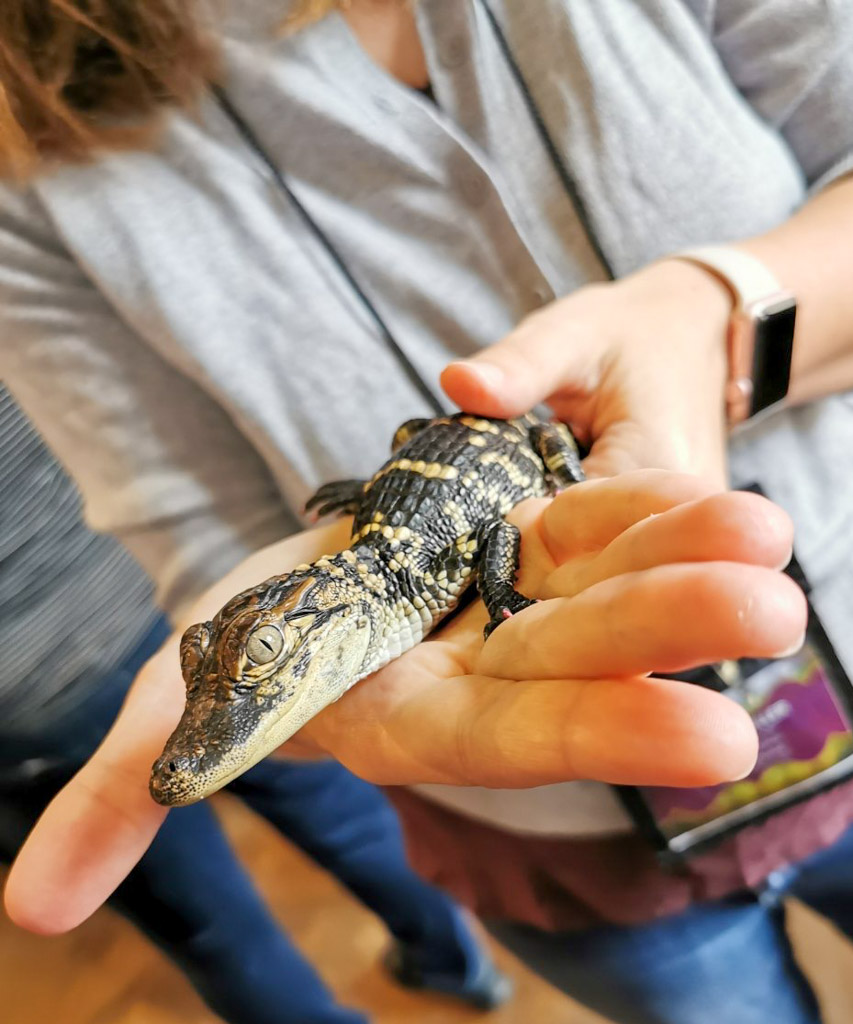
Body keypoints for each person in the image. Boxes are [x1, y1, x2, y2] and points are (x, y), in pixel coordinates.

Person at [0, 1, 850, 1021]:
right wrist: (293, 711)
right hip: (553, 826)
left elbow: (496, 534)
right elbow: (202, 543)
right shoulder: (29, 140)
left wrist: (714, 313)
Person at [0, 383, 513, 1022]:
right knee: (333, 821)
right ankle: (458, 964)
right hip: (121, 624)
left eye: (266, 650)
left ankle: (454, 961)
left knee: (211, 921)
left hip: (40, 682)